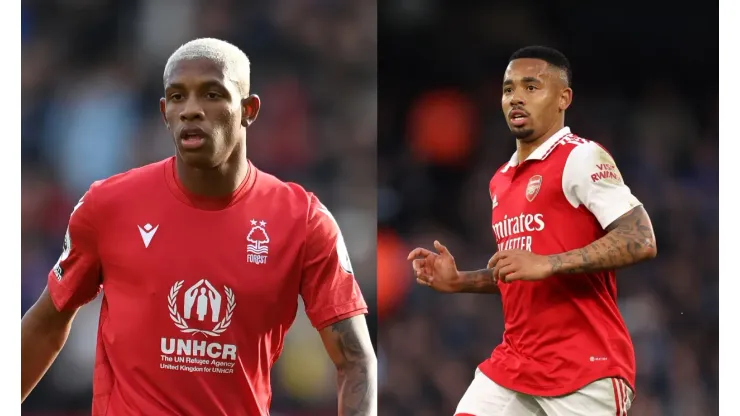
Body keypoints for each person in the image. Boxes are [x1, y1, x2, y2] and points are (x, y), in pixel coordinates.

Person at [21, 38, 377, 416]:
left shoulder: (303, 220)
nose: (191, 110)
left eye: (211, 94)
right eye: (177, 97)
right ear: (164, 112)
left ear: (248, 109)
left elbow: (355, 359)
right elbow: (46, 324)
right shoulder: (107, 206)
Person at [408, 46, 657, 416]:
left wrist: (550, 262)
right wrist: (461, 280)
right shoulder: (499, 182)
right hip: (516, 364)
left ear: (563, 98)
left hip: (585, 369)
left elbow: (641, 239)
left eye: (531, 87)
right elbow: (521, 271)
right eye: (509, 89)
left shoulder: (580, 157)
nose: (516, 98)